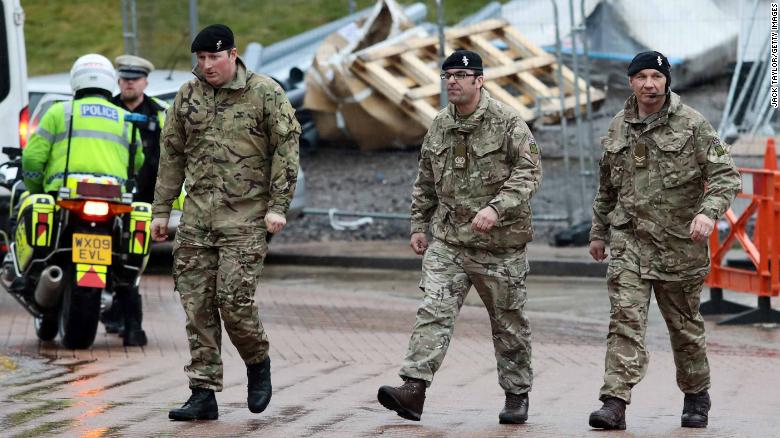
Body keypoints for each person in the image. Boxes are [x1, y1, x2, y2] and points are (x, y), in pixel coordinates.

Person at [377, 50, 542, 424]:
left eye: (460, 75)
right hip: (450, 243)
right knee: (433, 311)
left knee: (508, 323)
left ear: (478, 80)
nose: (452, 81)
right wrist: (419, 224)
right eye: (447, 75)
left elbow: (529, 173)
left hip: (500, 246)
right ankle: (413, 388)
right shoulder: (440, 125)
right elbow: (425, 180)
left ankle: (516, 394)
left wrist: (496, 208)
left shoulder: (507, 122)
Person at [151, 24, 300, 421]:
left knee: (233, 301)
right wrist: (161, 211)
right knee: (196, 305)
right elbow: (171, 156)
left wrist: (278, 205)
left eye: (213, 58)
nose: (206, 66)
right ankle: (203, 391)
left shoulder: (264, 93)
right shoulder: (187, 95)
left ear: (232, 55)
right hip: (198, 220)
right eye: (200, 59)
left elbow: (287, 150)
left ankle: (257, 361)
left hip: (246, 220)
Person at [587, 51, 741, 430]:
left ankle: (696, 394)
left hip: (678, 247)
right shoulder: (617, 127)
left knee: (684, 327)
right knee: (625, 321)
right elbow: (607, 187)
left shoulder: (693, 125)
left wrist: (708, 213)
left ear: (667, 80)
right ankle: (614, 401)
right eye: (641, 76)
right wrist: (599, 231)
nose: (649, 84)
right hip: (629, 245)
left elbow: (726, 177)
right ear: (630, 82)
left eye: (656, 76)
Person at [99, 54, 168, 344]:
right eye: (125, 78)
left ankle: (130, 322)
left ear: (145, 82)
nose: (129, 83)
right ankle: (113, 314)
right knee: (102, 255)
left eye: (134, 78)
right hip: (107, 197)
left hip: (142, 199)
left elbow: (169, 160)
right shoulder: (105, 110)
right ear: (118, 80)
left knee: (133, 260)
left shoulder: (159, 114)